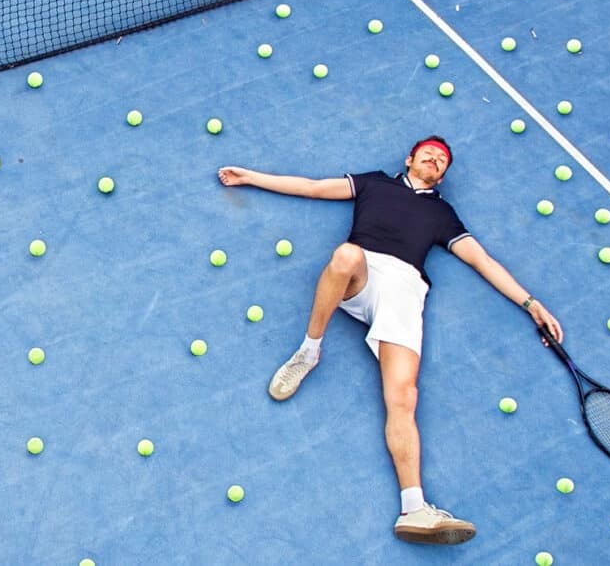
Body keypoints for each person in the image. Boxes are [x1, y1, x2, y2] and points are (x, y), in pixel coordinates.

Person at [217, 135, 563, 546]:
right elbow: (313, 186)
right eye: (428, 154)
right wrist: (252, 177)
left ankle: (413, 508)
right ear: (410, 159)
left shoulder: (443, 215)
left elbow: (481, 260)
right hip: (361, 272)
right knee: (345, 255)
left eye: (442, 161)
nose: (434, 160)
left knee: (404, 398)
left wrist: (531, 303)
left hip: (404, 290)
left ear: (442, 175)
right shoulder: (375, 183)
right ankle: (308, 352)